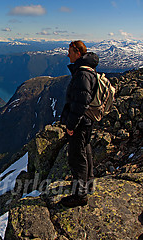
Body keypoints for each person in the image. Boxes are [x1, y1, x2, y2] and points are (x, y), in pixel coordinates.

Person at [59, 40, 98, 207]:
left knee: (77, 157)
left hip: (80, 123)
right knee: (85, 150)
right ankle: (88, 183)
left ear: (77, 53)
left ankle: (79, 196)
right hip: (86, 121)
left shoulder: (82, 74)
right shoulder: (88, 70)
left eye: (70, 52)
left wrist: (70, 125)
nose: (68, 55)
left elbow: (80, 103)